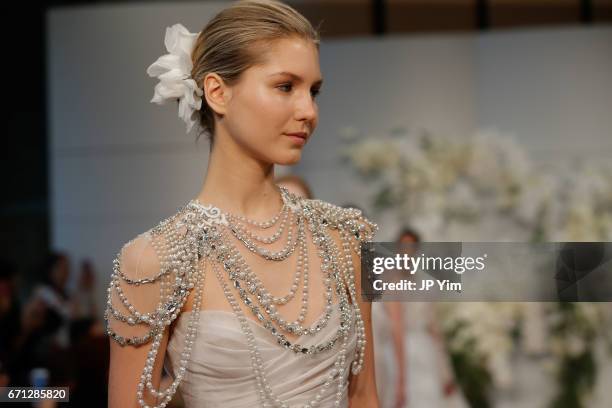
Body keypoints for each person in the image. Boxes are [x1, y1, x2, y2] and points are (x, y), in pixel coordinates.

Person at [106, 1, 379, 407]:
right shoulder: (155, 259)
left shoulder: (343, 240)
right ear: (217, 92)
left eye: (314, 91)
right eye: (285, 86)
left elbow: (365, 397)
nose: (309, 111)